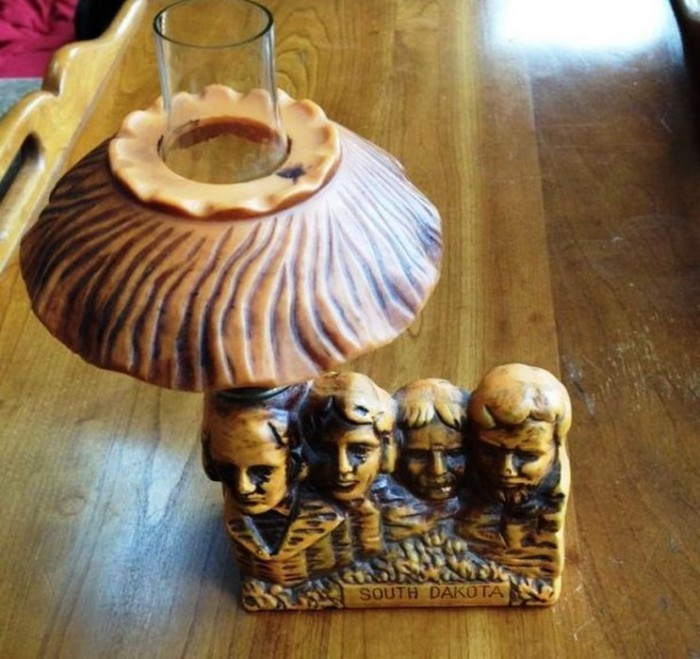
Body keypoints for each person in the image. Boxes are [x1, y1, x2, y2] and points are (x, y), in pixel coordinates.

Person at [202, 385, 345, 587]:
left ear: (295, 462)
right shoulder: (235, 519)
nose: (243, 488)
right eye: (227, 470)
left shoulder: (330, 518)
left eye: (262, 472)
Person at [456, 364, 572, 580]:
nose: (505, 470)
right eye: (490, 452)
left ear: (556, 449)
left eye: (527, 456)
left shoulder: (551, 497)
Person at [298, 372, 397, 557]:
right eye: (324, 450)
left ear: (385, 451)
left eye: (359, 451)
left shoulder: (400, 514)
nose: (342, 468)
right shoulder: (293, 525)